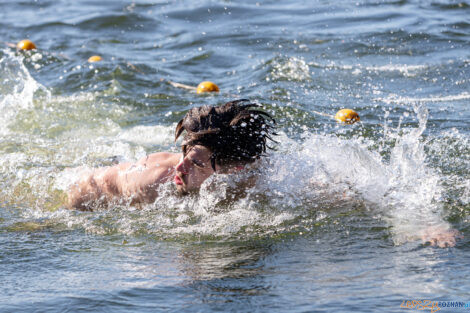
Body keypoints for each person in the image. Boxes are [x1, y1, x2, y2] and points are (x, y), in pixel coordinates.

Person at [67, 99, 275, 211]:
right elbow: (88, 186)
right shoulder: (153, 183)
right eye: (184, 153)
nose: (181, 167)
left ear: (234, 169)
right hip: (83, 185)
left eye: (196, 164)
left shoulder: (252, 170)